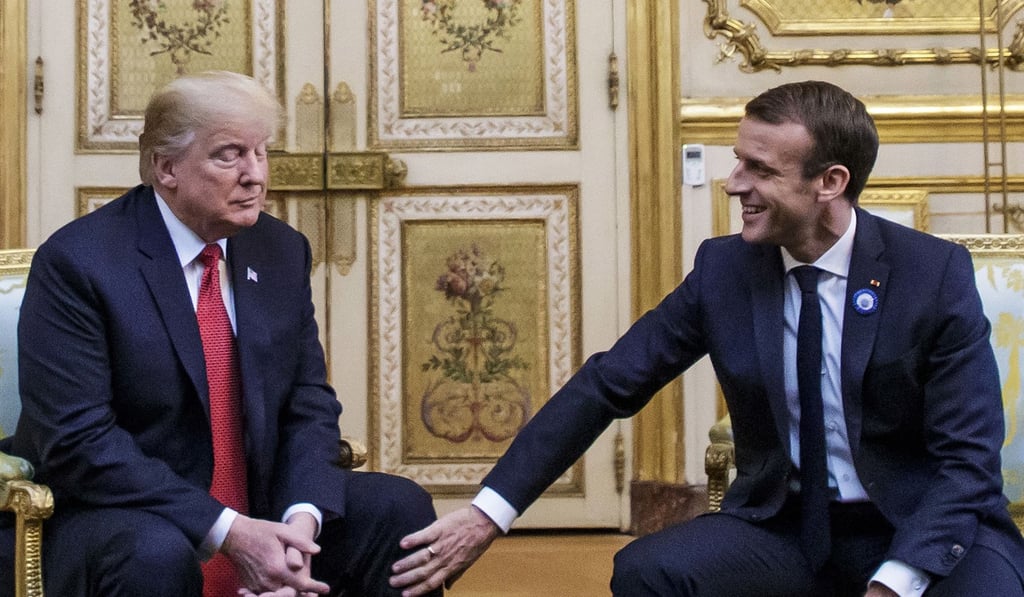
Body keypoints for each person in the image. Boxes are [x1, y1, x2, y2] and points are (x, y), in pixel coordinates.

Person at [389, 80, 1024, 596]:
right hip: (785, 529)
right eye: (736, 160)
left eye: (759, 168)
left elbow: (967, 464)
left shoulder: (931, 274)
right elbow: (608, 385)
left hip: (919, 527)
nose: (733, 183)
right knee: (649, 572)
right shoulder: (726, 270)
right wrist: (487, 514)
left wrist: (893, 584)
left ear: (829, 182)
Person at [0, 70, 441, 597]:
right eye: (230, 155)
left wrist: (301, 528)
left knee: (397, 507)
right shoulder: (81, 262)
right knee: (155, 552)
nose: (255, 175)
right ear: (166, 167)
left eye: (262, 152)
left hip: (258, 500)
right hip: (119, 513)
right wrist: (229, 531)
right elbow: (78, 441)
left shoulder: (280, 250)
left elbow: (307, 402)